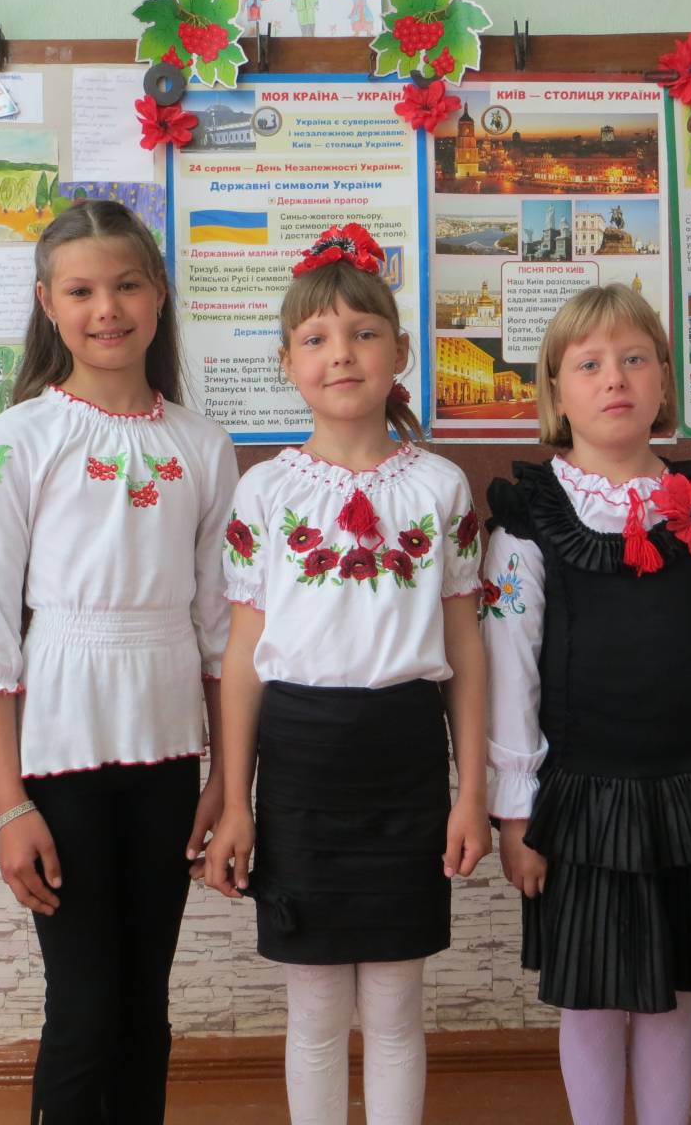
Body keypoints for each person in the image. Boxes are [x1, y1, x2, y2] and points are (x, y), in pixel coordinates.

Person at [482, 284, 691, 1125]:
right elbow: (508, 663)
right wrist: (516, 809)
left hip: (690, 790)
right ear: (556, 391)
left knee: (671, 993)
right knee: (591, 995)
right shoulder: (528, 515)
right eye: (588, 364)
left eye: (633, 359)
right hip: (578, 799)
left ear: (663, 378)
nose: (614, 378)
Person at [0, 200, 238, 1123]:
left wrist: (227, 778)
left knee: (143, 1007)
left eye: (126, 286)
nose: (106, 308)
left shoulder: (202, 446)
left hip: (169, 749)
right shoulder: (21, 437)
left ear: (159, 296)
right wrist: (10, 806)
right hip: (59, 752)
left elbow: (217, 629)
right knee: (83, 1008)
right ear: (48, 303)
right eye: (80, 291)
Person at [205, 223, 491, 1125]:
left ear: (400, 353)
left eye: (364, 334)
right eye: (317, 338)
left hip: (406, 758)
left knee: (398, 1007)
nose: (342, 354)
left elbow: (466, 651)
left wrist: (472, 792)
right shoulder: (265, 491)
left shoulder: (442, 488)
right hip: (300, 765)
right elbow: (242, 658)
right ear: (288, 362)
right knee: (318, 1008)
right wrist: (237, 799)